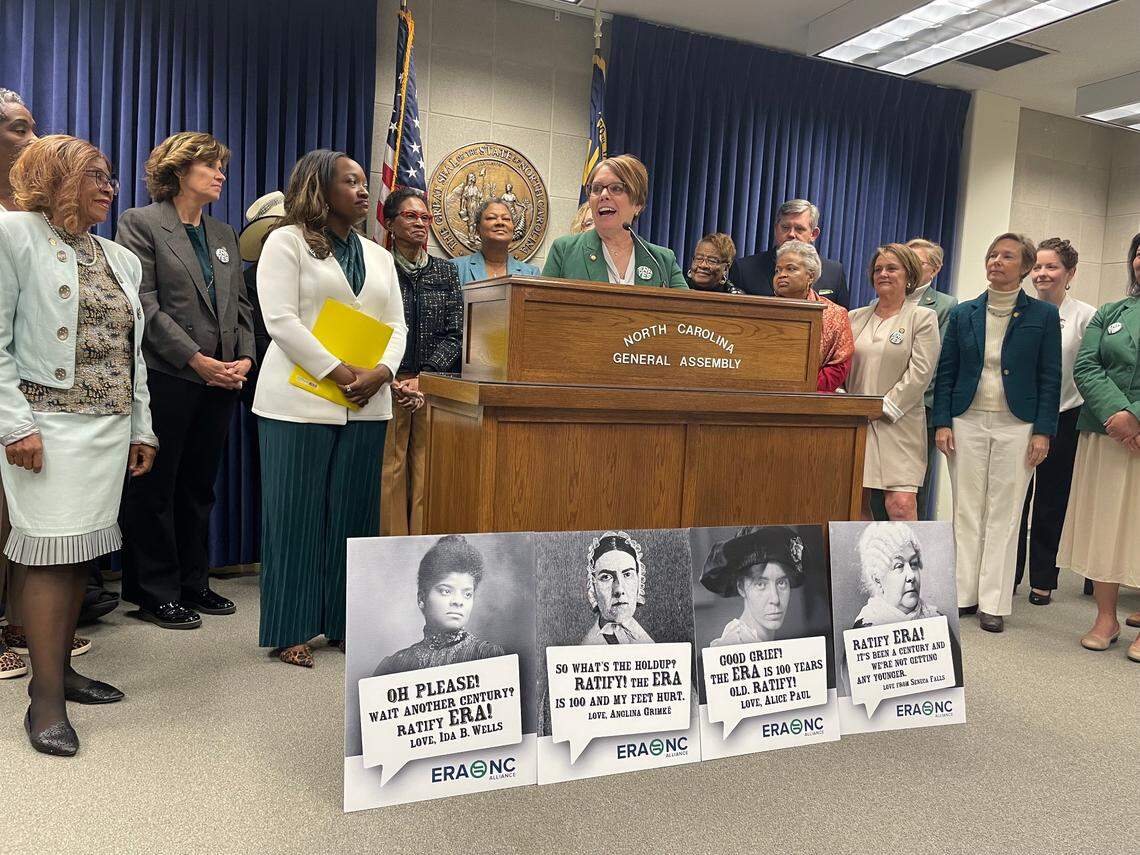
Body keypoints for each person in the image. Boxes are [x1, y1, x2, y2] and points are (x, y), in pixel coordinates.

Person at [0, 135, 159, 754]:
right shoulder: (13, 235)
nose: (109, 187)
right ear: (54, 177)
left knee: (77, 555)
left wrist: (141, 427)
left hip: (107, 427)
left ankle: (60, 669)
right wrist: (15, 425)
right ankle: (44, 700)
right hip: (45, 426)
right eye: (95, 175)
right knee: (47, 555)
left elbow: (131, 355)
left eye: (111, 177)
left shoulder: (120, 258)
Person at [253, 150, 406, 667]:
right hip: (297, 401)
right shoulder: (286, 241)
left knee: (355, 516)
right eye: (351, 182)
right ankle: (291, 627)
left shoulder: (379, 255)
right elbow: (281, 320)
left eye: (365, 182)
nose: (364, 190)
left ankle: (344, 622)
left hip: (367, 403)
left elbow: (397, 326)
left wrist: (382, 373)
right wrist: (339, 372)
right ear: (320, 187)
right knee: (293, 514)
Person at [114, 132, 257, 630]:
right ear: (178, 171)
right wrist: (196, 359)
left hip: (222, 379)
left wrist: (243, 358)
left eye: (222, 166)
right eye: (211, 166)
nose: (221, 174)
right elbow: (143, 305)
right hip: (169, 375)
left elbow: (240, 305)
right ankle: (153, 591)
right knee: (156, 486)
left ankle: (194, 582)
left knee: (199, 486)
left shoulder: (223, 233)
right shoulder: (140, 223)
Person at [933, 233, 1061, 633]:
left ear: (1025, 268)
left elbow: (1050, 377)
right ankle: (964, 593)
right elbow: (946, 371)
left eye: (1007, 256)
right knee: (966, 509)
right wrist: (942, 421)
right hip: (966, 419)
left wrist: (1043, 431)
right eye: (992, 254)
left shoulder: (1043, 316)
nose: (996, 261)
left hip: (1017, 424)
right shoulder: (964, 313)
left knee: (1005, 514)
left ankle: (994, 601)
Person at [1057, 232, 1140, 661]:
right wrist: (1117, 415)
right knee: (1106, 525)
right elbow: (1086, 365)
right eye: (1139, 253)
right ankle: (1106, 618)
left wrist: (1135, 415)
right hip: (1105, 432)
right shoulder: (1110, 311)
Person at [1014, 239, 1095, 605]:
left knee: (1051, 500)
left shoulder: (1086, 316)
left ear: (1070, 272)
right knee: (1014, 501)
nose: (1042, 274)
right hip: (1020, 417)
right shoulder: (1018, 311)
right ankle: (1007, 575)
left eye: (1052, 267)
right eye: (1037, 267)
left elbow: (1089, 368)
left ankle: (1043, 579)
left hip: (1065, 415)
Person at [379, 187, 462, 537]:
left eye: (425, 217)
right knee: (390, 469)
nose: (419, 223)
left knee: (427, 470)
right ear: (390, 223)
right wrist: (390, 376)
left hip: (430, 385)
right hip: (387, 382)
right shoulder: (378, 266)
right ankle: (391, 548)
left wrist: (425, 377)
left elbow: (456, 333)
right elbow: (371, 324)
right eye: (410, 216)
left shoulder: (446, 272)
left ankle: (423, 546)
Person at [847, 244, 941, 521]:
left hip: (899, 422)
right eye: (878, 269)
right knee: (855, 503)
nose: (883, 274)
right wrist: (847, 403)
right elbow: (839, 365)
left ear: (909, 275)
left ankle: (907, 553)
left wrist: (884, 407)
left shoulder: (922, 318)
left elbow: (921, 373)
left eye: (891, 268)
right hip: (858, 422)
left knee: (901, 504)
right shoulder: (854, 318)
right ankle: (862, 553)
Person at [0, 86, 38, 678]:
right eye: (19, 128)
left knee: (18, 512)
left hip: (33, 382)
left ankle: (16, 618)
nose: (34, 140)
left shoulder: (35, 213)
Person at [543, 154, 687, 288]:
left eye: (616, 188)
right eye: (596, 188)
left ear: (638, 204)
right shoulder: (564, 251)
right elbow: (541, 304)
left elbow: (688, 307)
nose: (603, 195)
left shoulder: (663, 261)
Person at [371, 534, 505, 676]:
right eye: (446, 591)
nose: (458, 601)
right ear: (421, 599)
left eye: (467, 594)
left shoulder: (488, 656)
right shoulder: (394, 665)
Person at [849, 523, 962, 685]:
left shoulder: (936, 620)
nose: (911, 576)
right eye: (899, 566)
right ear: (877, 579)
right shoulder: (865, 628)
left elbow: (954, 684)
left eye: (914, 564)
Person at [903, 239, 958, 520]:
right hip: (881, 407)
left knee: (913, 489)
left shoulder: (946, 305)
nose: (908, 267)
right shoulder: (879, 301)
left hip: (920, 408)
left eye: (916, 262)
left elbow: (939, 361)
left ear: (935, 270)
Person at [730, 199, 849, 308]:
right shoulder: (744, 269)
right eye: (785, 227)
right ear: (776, 229)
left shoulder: (834, 272)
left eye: (799, 229)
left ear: (814, 234)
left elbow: (843, 317)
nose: (791, 234)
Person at [699, 526, 804, 646]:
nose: (775, 599)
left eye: (781, 583)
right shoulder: (734, 646)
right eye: (761, 584)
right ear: (741, 587)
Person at [771, 240, 854, 392]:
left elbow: (839, 366)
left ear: (810, 276)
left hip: (813, 397)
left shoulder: (835, 314)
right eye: (778, 270)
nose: (781, 275)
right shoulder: (762, 311)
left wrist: (803, 389)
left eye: (791, 269)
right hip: (765, 393)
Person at [579, 531, 654, 644]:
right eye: (606, 577)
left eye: (627, 574)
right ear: (593, 588)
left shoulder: (645, 639)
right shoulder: (587, 645)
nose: (619, 589)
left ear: (639, 580)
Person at [450, 196, 540, 285]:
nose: (500, 222)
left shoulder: (530, 273)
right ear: (477, 228)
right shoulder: (455, 268)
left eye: (506, 219)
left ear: (513, 228)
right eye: (491, 218)